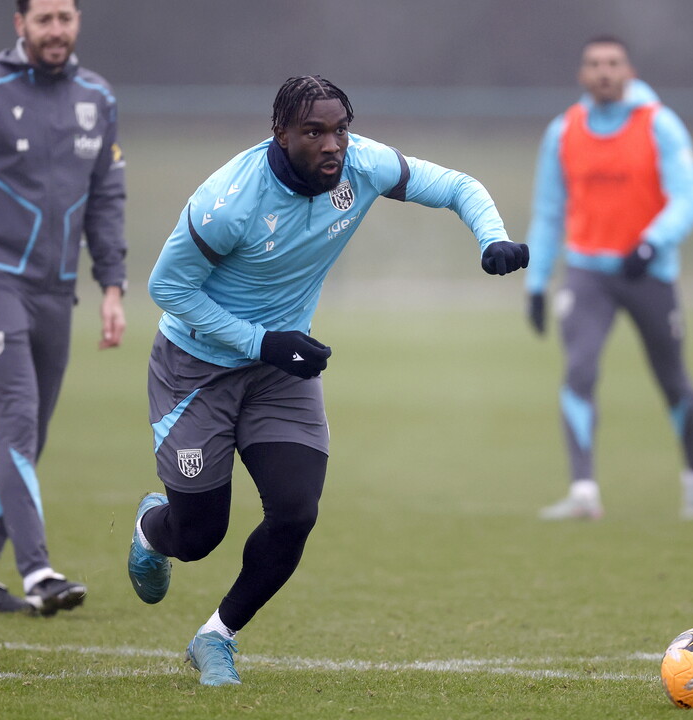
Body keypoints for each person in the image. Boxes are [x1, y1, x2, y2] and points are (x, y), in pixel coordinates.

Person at [128, 75, 528, 686]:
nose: (332, 144)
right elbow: (167, 289)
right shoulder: (228, 201)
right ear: (280, 134)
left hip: (282, 372)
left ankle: (217, 636)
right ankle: (152, 532)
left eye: (339, 129)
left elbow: (457, 185)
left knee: (295, 511)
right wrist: (262, 341)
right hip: (196, 372)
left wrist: (491, 236)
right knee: (200, 535)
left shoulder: (362, 165)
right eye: (314, 132)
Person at [0, 0, 127, 615]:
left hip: (57, 290)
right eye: (44, 18)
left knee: (31, 435)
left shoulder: (97, 97)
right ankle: (38, 573)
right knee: (16, 424)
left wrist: (112, 285)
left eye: (66, 17)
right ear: (19, 23)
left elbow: (106, 197)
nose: (57, 29)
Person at [525, 35, 693, 521]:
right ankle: (584, 491)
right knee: (579, 371)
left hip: (650, 272)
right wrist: (537, 281)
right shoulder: (563, 132)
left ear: (628, 70)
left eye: (613, 63)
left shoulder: (660, 125)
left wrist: (652, 242)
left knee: (672, 380)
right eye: (594, 64)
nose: (604, 71)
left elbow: (688, 196)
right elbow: (548, 212)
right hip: (588, 274)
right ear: (582, 75)